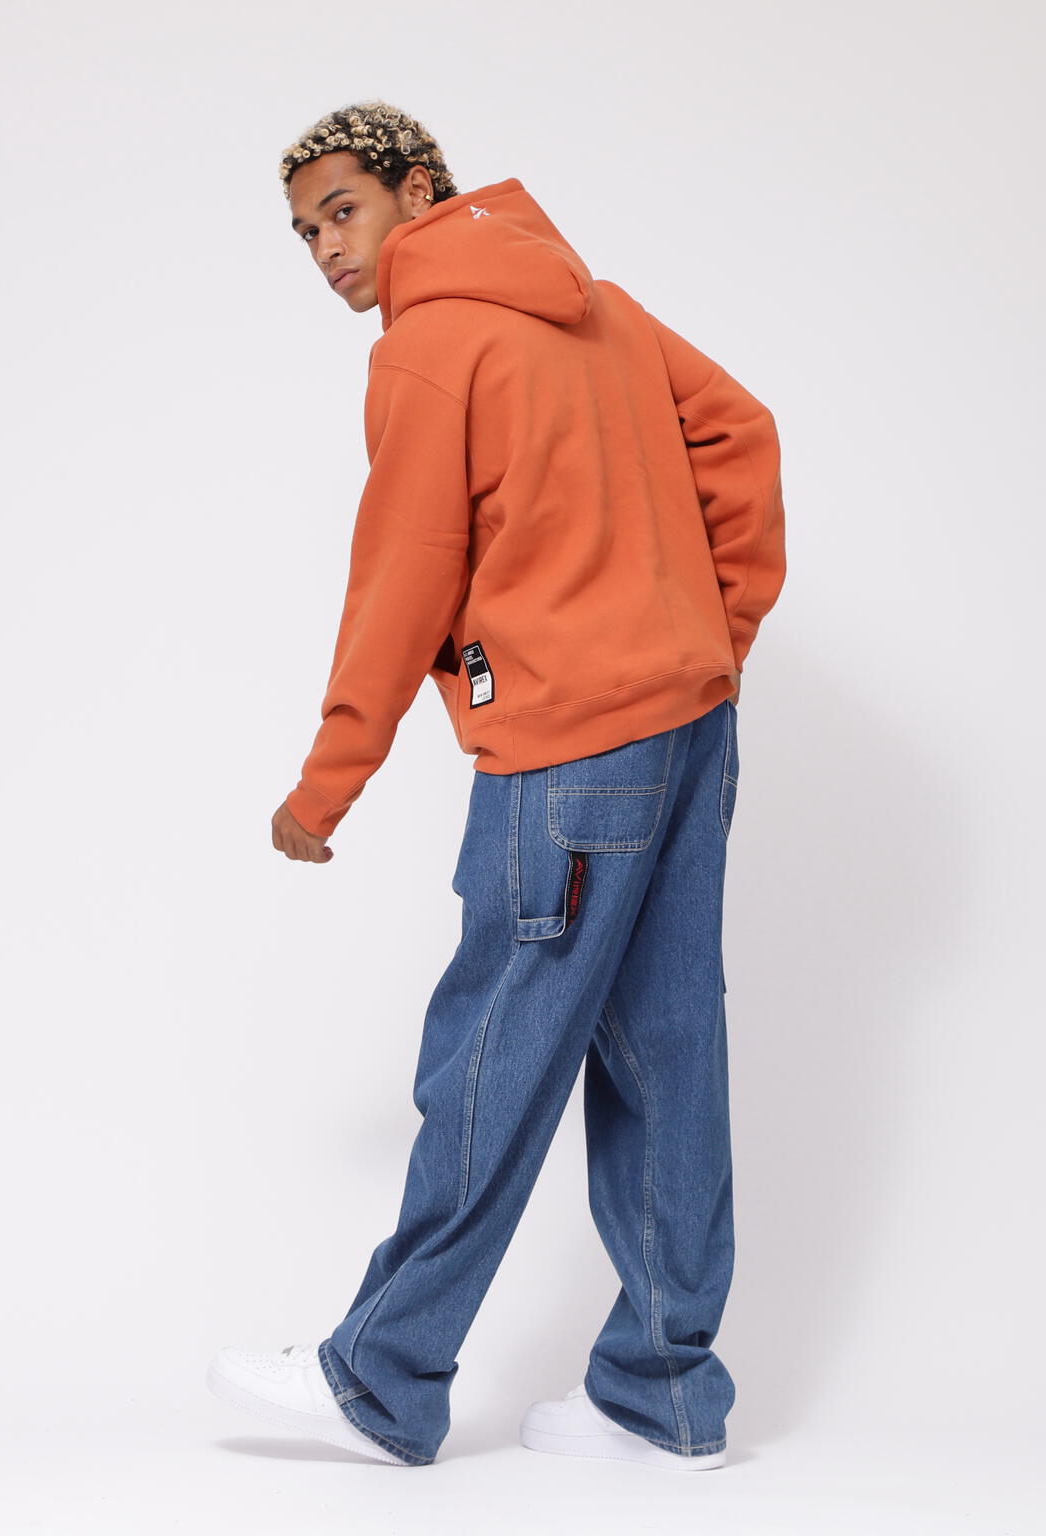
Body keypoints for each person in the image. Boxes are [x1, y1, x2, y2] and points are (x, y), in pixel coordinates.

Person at [207, 100, 786, 1469]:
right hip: (687, 729)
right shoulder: (599, 306)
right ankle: (665, 1398)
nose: (326, 249)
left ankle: (380, 1379)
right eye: (302, 232)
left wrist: (328, 781)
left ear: (419, 191)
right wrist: (706, 638)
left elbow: (401, 576)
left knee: (491, 1059)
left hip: (570, 753)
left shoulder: (428, 346)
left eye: (342, 211)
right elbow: (743, 435)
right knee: (664, 1055)